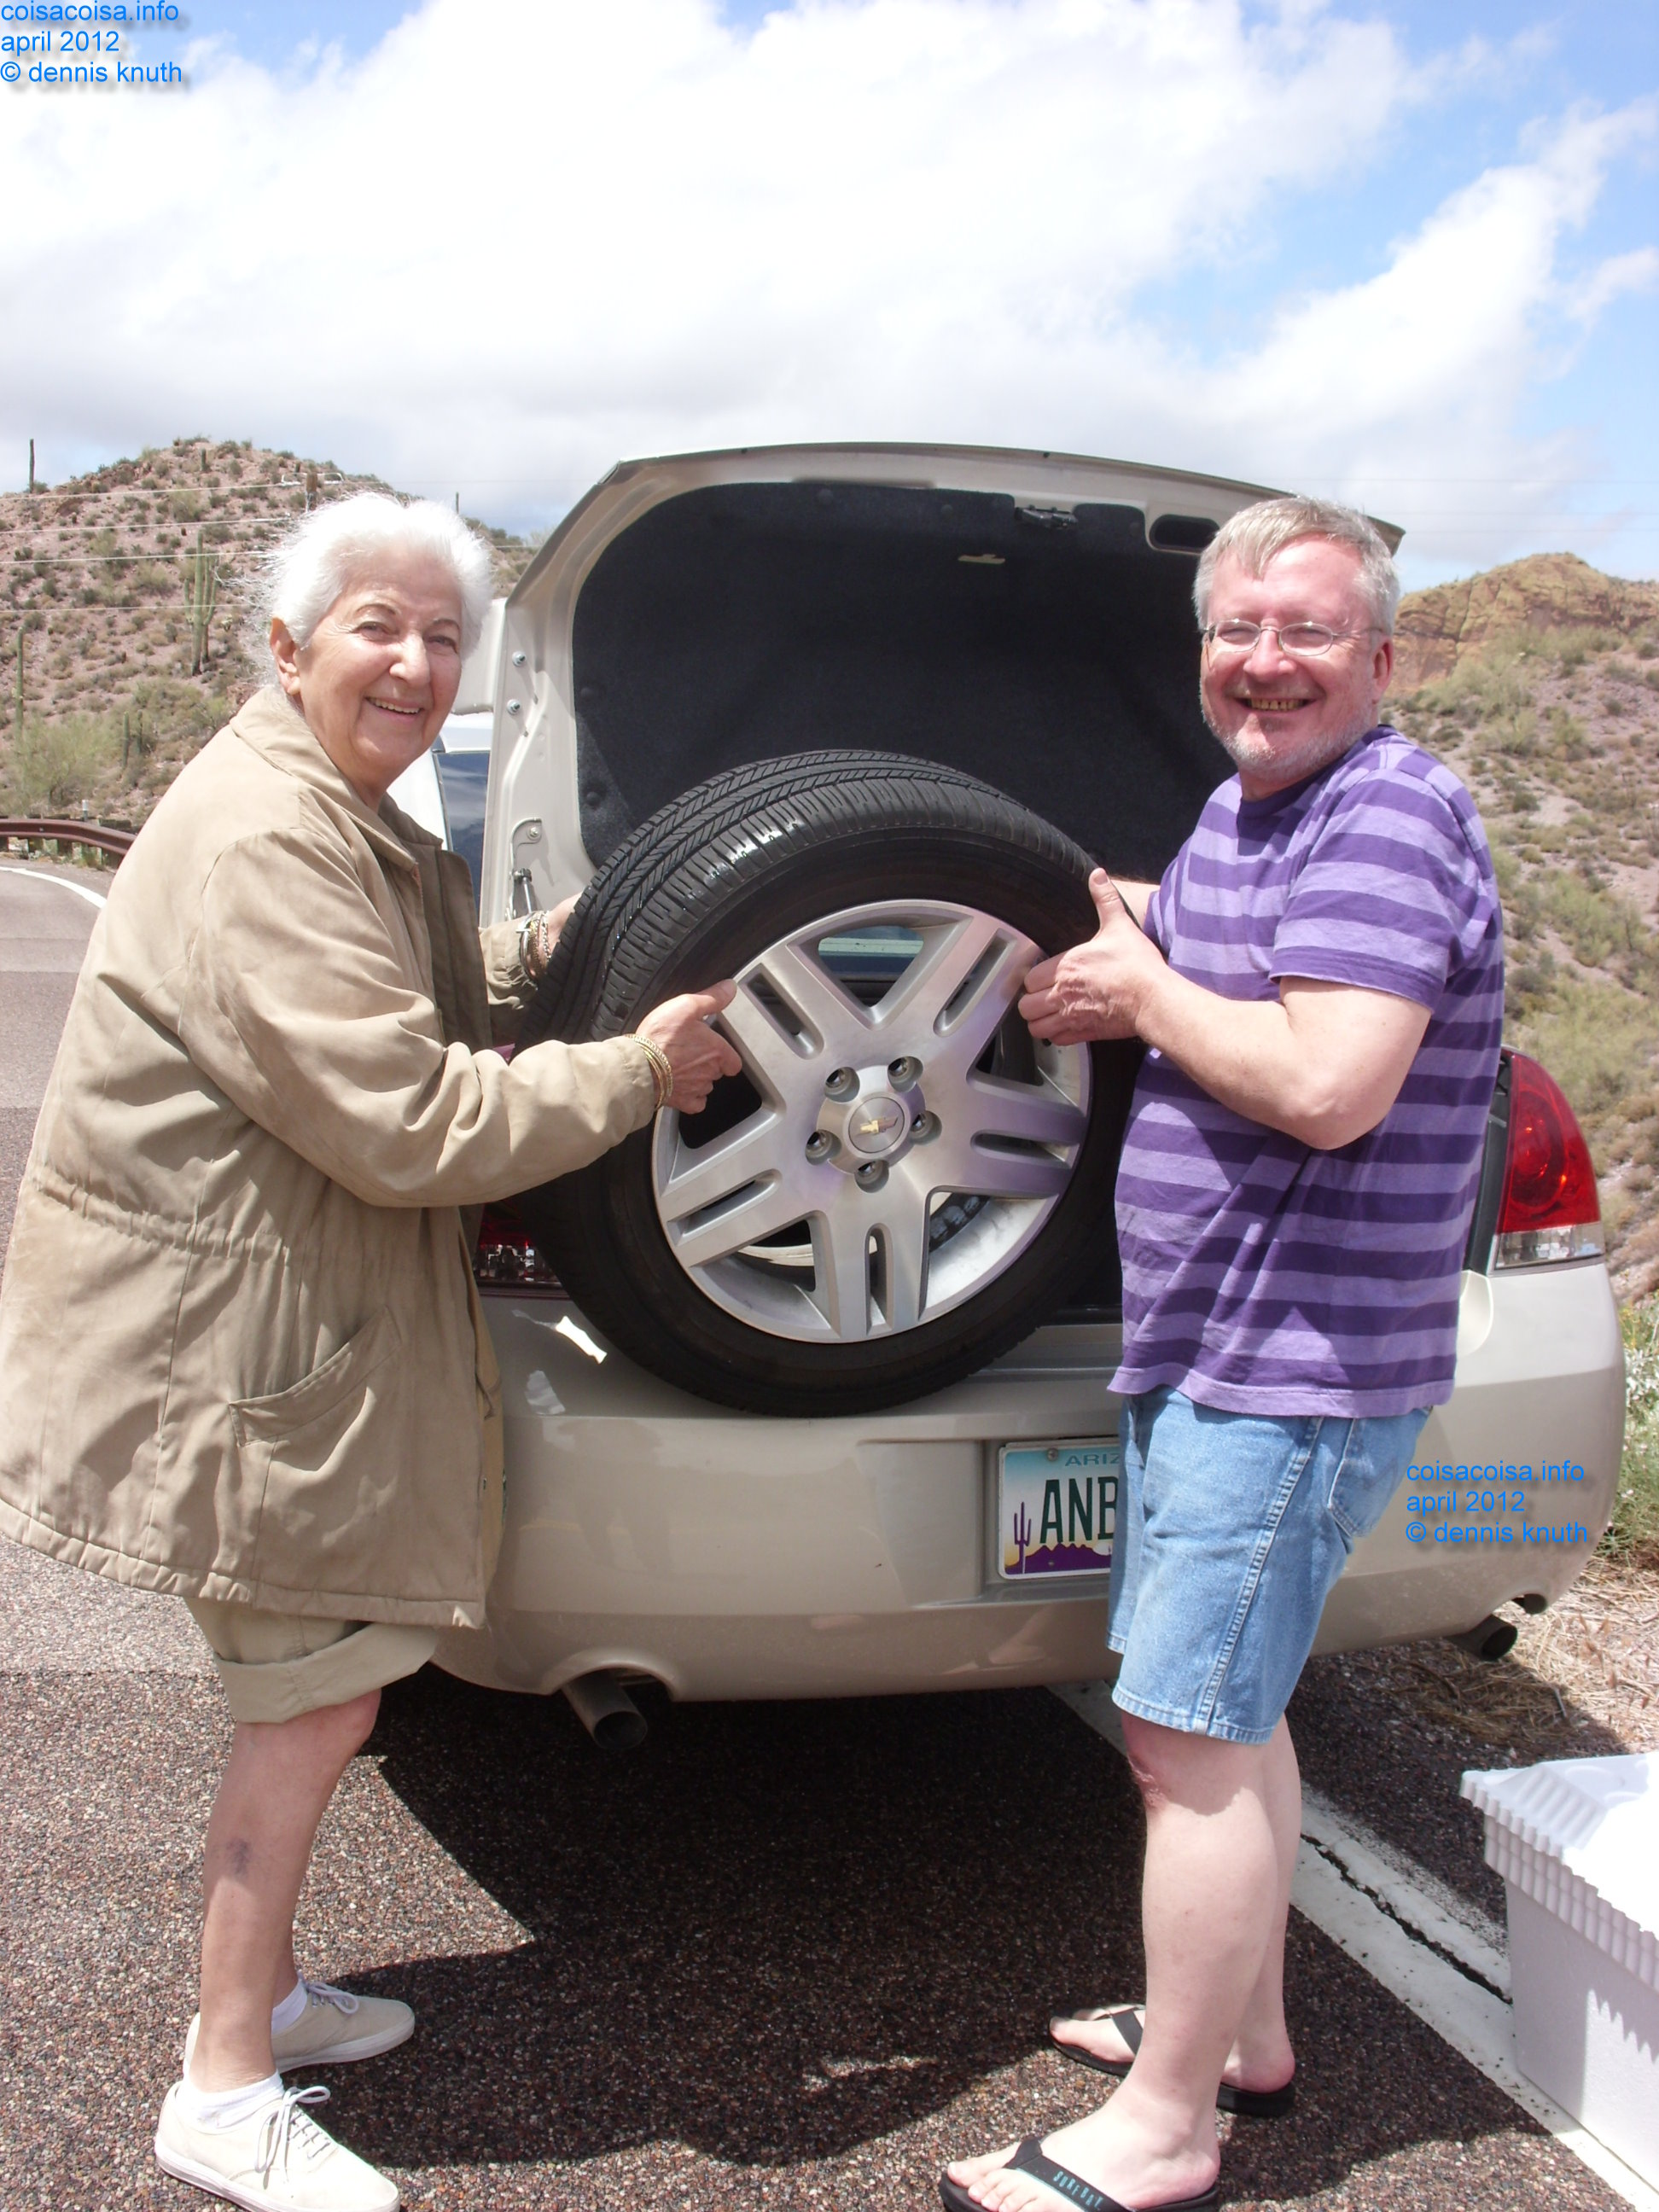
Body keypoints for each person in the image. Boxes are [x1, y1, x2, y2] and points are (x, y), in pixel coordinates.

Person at [0, 492, 742, 2212]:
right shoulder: (273, 836)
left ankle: (259, 1997)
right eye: (375, 628)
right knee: (313, 1702)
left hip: (257, 1318)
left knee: (318, 1697)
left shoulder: (337, 812)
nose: (412, 664)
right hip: (225, 1346)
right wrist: (634, 1072)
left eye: (438, 635)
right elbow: (407, 1120)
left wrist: (558, 956)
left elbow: (404, 991)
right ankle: (223, 2084)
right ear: (289, 644)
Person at [942, 497, 1502, 2212]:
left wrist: (1148, 996)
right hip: (1217, 1346)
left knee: (1184, 1740)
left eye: (1310, 631)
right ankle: (1235, 2037)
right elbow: (1226, 980)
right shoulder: (1251, 808)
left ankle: (1171, 2125)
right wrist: (1137, 945)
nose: (1267, 663)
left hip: (1295, 1363)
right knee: (1224, 1721)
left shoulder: (1391, 811)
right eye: (1238, 631)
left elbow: (1332, 1085)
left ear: (1382, 659)